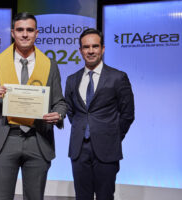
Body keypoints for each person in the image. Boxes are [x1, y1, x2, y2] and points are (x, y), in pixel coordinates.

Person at [0, 12, 67, 200]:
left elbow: (59, 102)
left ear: (37, 33)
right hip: (5, 138)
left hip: (38, 139)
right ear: (12, 33)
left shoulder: (50, 64)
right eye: (20, 30)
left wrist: (58, 115)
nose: (24, 34)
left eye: (29, 30)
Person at [65, 28, 135, 200]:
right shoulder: (72, 79)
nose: (90, 51)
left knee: (105, 196)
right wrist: (83, 129)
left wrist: (113, 136)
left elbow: (128, 114)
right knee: (82, 196)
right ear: (80, 50)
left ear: (102, 49)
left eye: (95, 46)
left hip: (107, 149)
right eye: (86, 47)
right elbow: (70, 111)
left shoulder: (118, 77)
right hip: (79, 149)